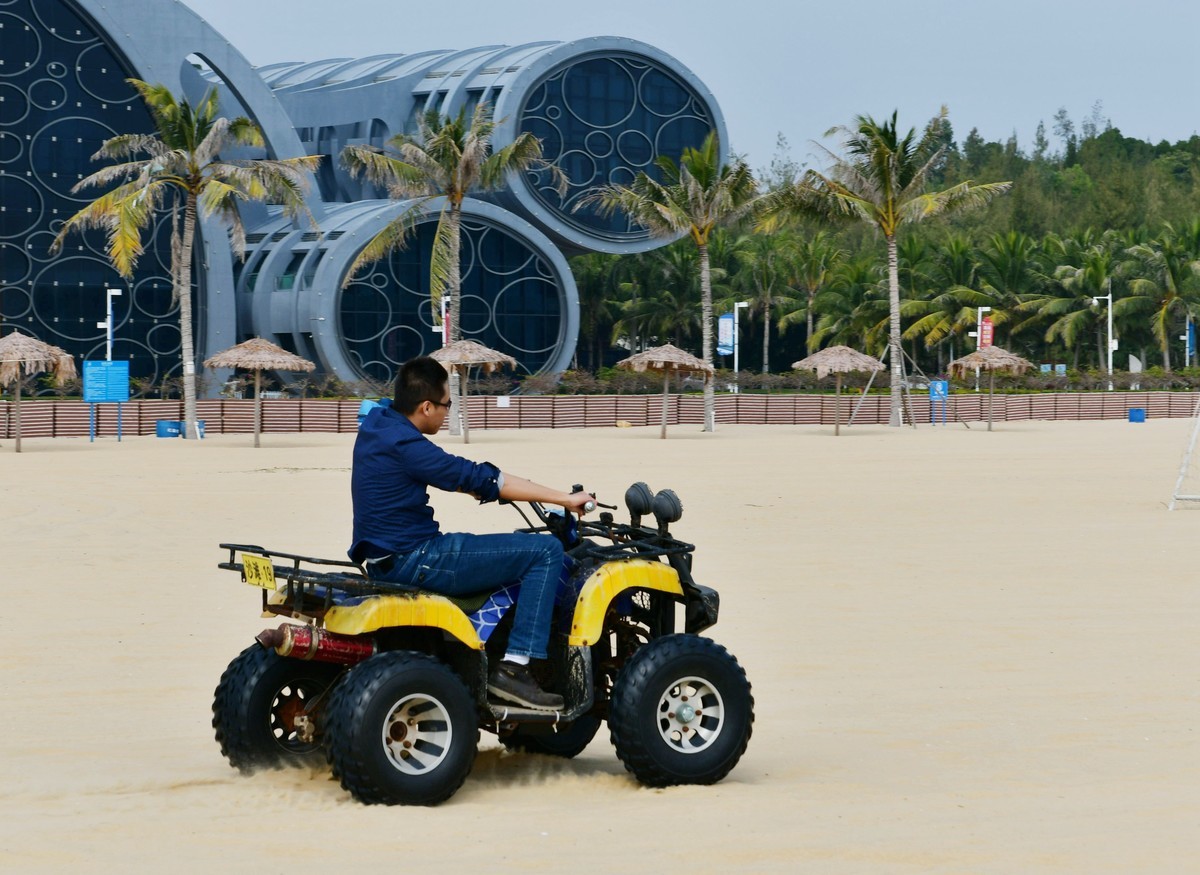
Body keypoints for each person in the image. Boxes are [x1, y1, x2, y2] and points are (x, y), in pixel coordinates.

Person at [349, 356, 592, 711]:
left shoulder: (378, 422)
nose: (448, 412)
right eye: (447, 405)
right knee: (545, 551)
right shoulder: (408, 446)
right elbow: (477, 477)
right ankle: (515, 668)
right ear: (426, 407)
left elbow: (464, 479)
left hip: (382, 557)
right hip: (416, 558)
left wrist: (478, 486)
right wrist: (566, 499)